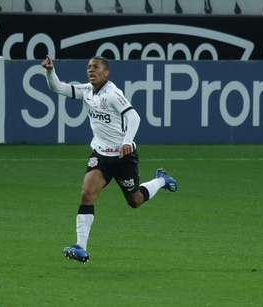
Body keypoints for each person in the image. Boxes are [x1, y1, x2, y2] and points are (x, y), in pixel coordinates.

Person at [41, 55, 178, 263]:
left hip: (123, 157)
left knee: (135, 201)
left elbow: (134, 117)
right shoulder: (87, 91)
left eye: (96, 67)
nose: (90, 70)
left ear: (106, 72)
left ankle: (161, 180)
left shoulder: (113, 94)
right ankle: (81, 247)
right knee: (87, 194)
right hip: (101, 155)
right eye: (88, 67)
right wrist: (50, 71)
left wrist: (127, 142)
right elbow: (58, 87)